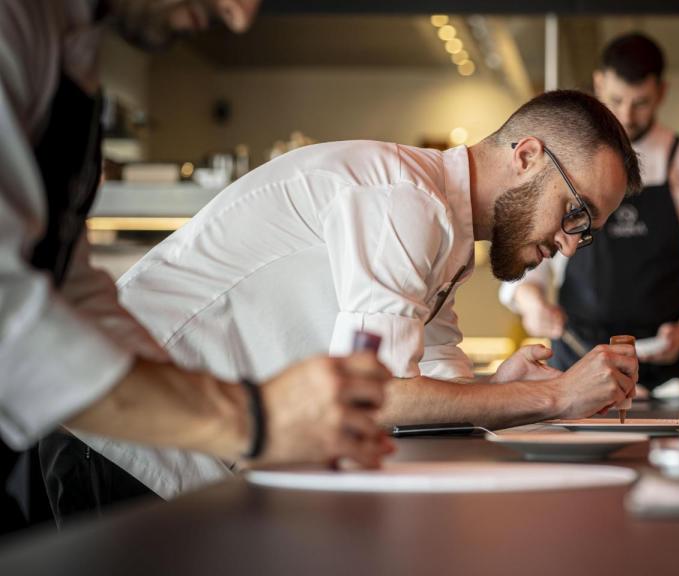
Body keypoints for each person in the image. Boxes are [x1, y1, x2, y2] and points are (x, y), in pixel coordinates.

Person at [81, 89, 644, 500]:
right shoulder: (404, 200)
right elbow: (384, 397)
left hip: (181, 444)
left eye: (587, 230)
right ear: (526, 156)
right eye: (576, 213)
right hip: (119, 435)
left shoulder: (446, 237)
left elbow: (432, 397)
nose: (572, 246)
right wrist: (554, 398)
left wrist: (502, 388)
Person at [0, 0, 391, 532]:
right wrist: (252, 418)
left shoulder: (75, 47)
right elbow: (9, 318)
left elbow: (70, 286)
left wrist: (243, 431)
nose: (239, 17)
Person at [500, 32, 679, 390]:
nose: (626, 114)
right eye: (616, 99)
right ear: (599, 83)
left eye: (641, 103)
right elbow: (528, 259)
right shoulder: (564, 159)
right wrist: (532, 303)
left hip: (666, 372)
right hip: (577, 359)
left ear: (662, 91)